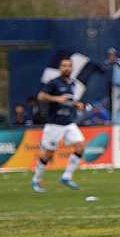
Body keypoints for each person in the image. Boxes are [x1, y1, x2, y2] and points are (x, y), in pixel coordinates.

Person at [31, 58, 87, 192]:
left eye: (69, 66)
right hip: (54, 124)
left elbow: (68, 100)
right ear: (60, 68)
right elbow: (41, 96)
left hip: (68, 123)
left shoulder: (72, 84)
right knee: (48, 154)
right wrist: (56, 99)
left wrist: (76, 104)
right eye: (64, 66)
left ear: (72, 68)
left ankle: (67, 177)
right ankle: (36, 180)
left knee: (80, 146)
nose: (66, 68)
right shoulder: (53, 83)